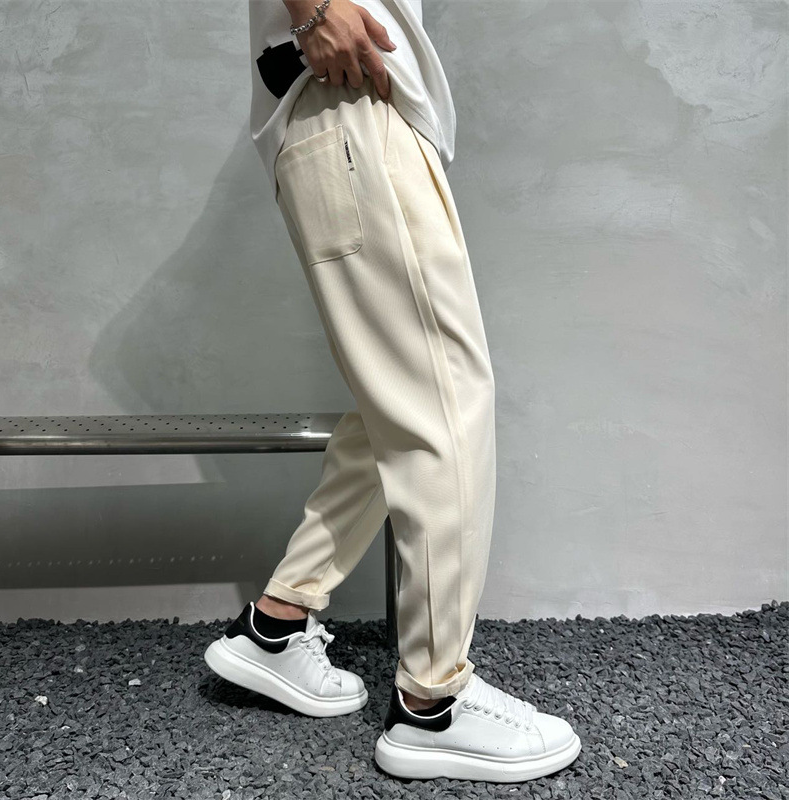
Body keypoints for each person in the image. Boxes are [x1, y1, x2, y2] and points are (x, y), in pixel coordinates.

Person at [204, 0, 581, 782]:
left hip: (345, 118)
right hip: (353, 108)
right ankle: (433, 703)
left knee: (400, 402)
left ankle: (276, 625)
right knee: (444, 402)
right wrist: (314, 11)